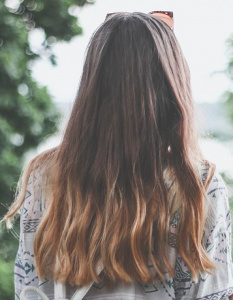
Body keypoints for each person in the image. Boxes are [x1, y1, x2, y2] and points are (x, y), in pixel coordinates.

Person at [4, 11, 233, 300]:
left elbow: (30, 289)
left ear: (93, 84)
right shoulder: (198, 186)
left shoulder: (46, 175)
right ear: (172, 85)